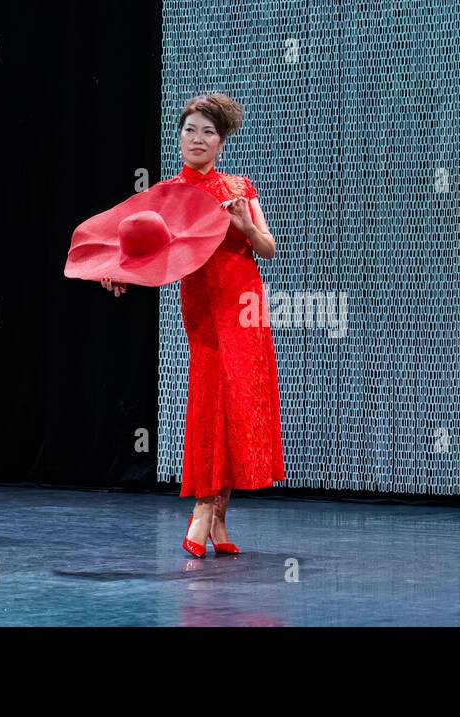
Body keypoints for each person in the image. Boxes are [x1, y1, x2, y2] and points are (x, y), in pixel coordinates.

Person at [101, 93, 285, 557]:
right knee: (210, 402)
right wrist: (118, 271)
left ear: (221, 141)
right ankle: (203, 508)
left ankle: (217, 518)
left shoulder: (239, 188)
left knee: (238, 404)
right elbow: (141, 246)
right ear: (179, 137)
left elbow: (268, 248)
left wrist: (244, 224)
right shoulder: (169, 194)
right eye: (190, 130)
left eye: (208, 131)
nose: (197, 138)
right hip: (203, 308)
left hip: (245, 306)